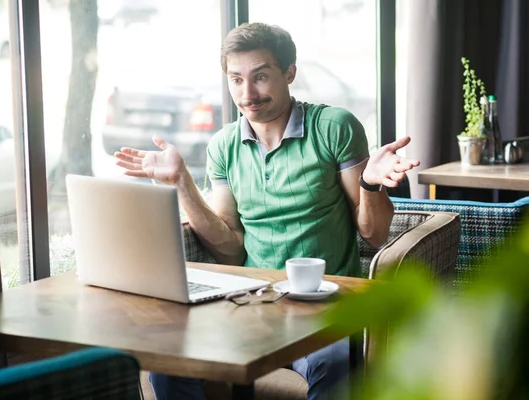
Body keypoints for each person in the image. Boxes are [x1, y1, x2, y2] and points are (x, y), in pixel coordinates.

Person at [114, 22, 419, 400]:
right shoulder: (224, 145)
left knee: (335, 365)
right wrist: (181, 183)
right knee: (169, 366)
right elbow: (229, 248)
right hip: (252, 307)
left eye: (260, 77)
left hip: (327, 310)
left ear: (289, 73)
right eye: (236, 79)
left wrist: (370, 185)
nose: (248, 93)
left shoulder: (334, 127)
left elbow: (374, 234)